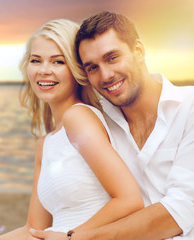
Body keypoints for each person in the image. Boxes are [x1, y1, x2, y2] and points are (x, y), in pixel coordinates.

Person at [0, 18, 143, 240]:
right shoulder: (45, 144)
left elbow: (129, 200)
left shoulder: (78, 118)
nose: (44, 70)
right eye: (36, 60)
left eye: (58, 62)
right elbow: (33, 229)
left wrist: (70, 236)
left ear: (76, 69)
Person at [63, 11, 194, 239]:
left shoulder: (189, 107)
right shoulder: (98, 124)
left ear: (139, 51)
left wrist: (78, 238)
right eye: (92, 67)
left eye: (112, 58)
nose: (105, 75)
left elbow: (182, 209)